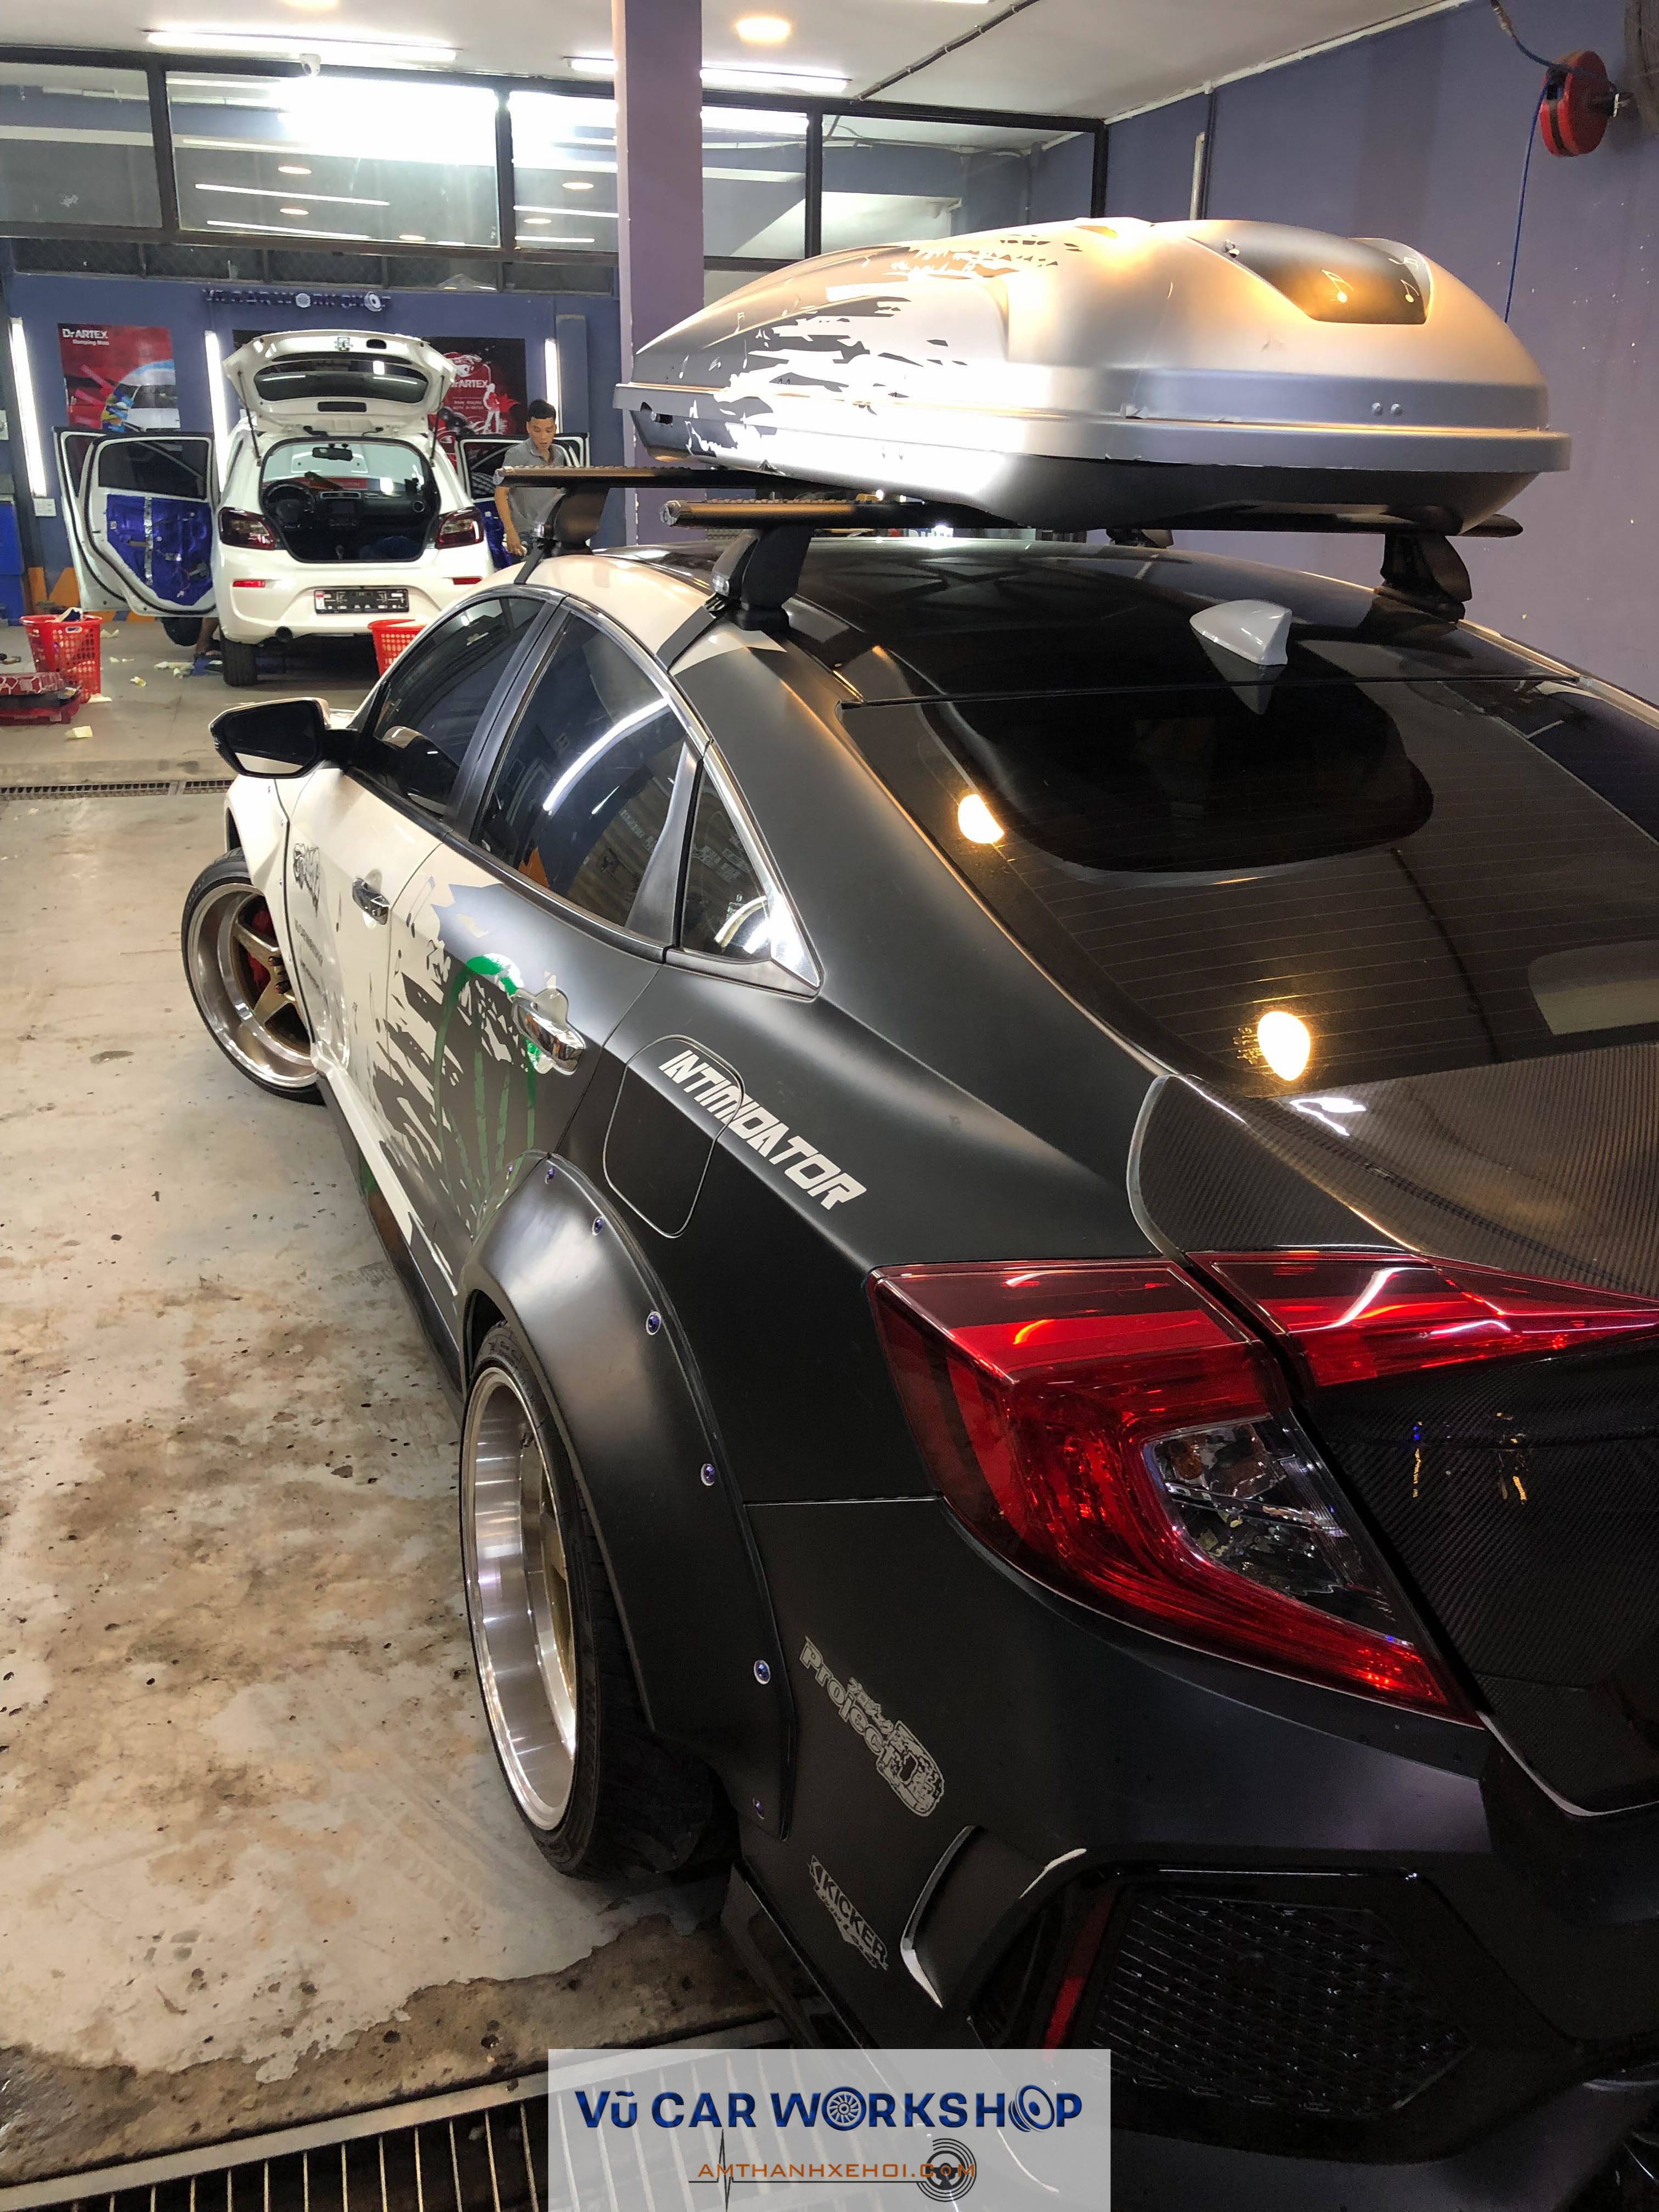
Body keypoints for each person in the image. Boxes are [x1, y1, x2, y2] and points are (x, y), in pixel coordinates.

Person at [493, 400, 565, 563]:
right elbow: (501, 494)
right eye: (537, 430)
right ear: (528, 428)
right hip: (524, 534)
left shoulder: (559, 455)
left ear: (555, 429)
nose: (543, 437)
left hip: (550, 533)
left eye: (548, 430)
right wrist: (510, 531)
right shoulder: (517, 454)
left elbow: (557, 491)